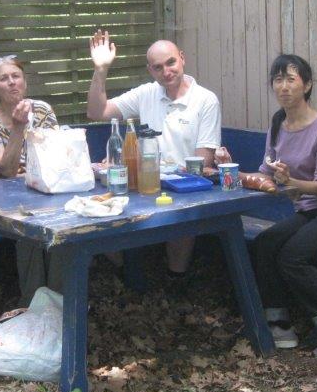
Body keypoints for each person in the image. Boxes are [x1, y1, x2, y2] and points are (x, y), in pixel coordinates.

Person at [219, 54, 317, 361]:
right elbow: (267, 172)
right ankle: (279, 322)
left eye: (291, 79)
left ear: (307, 85)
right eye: (278, 80)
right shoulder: (278, 123)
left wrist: (291, 182)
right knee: (266, 242)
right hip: (309, 210)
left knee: (292, 256)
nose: (283, 87)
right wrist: (230, 168)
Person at [86, 29, 222, 277]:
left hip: (186, 189)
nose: (166, 71)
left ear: (182, 58)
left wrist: (165, 172)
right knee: (97, 214)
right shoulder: (146, 93)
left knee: (182, 219)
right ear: (150, 70)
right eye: (158, 67)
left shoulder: (205, 100)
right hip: (145, 186)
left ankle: (175, 282)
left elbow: (204, 161)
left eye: (171, 62)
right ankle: (129, 279)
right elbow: (97, 112)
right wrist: (101, 69)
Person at [0, 55, 61, 305]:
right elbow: (7, 171)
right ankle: (33, 304)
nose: (12, 83)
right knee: (29, 231)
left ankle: (58, 301)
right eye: (4, 79)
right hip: (6, 197)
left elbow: (55, 156)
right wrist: (18, 127)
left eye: (16, 76)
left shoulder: (42, 110)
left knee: (63, 226)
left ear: (24, 82)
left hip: (44, 189)